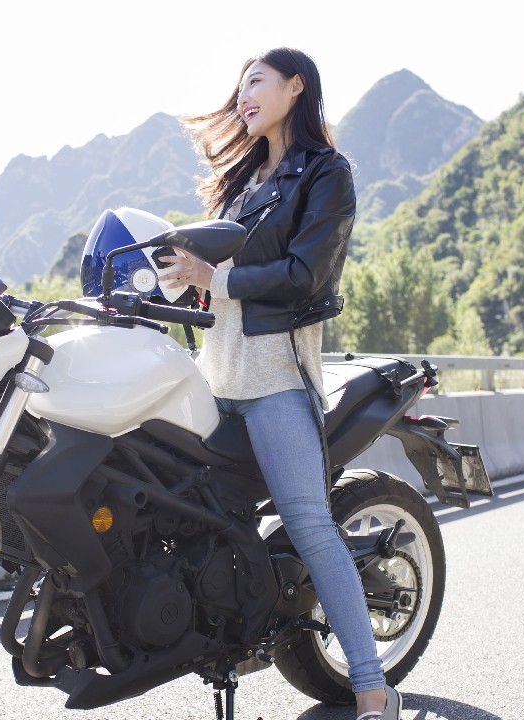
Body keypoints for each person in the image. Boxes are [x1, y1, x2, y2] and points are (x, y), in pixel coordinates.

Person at [162, 48, 401, 720]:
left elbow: (307, 275)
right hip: (215, 381)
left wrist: (219, 280)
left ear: (297, 87)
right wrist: (184, 283)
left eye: (257, 82)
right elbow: (218, 288)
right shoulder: (240, 182)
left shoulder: (326, 175)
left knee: (309, 524)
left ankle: (372, 685)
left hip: (274, 384)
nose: (243, 95)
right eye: (238, 86)